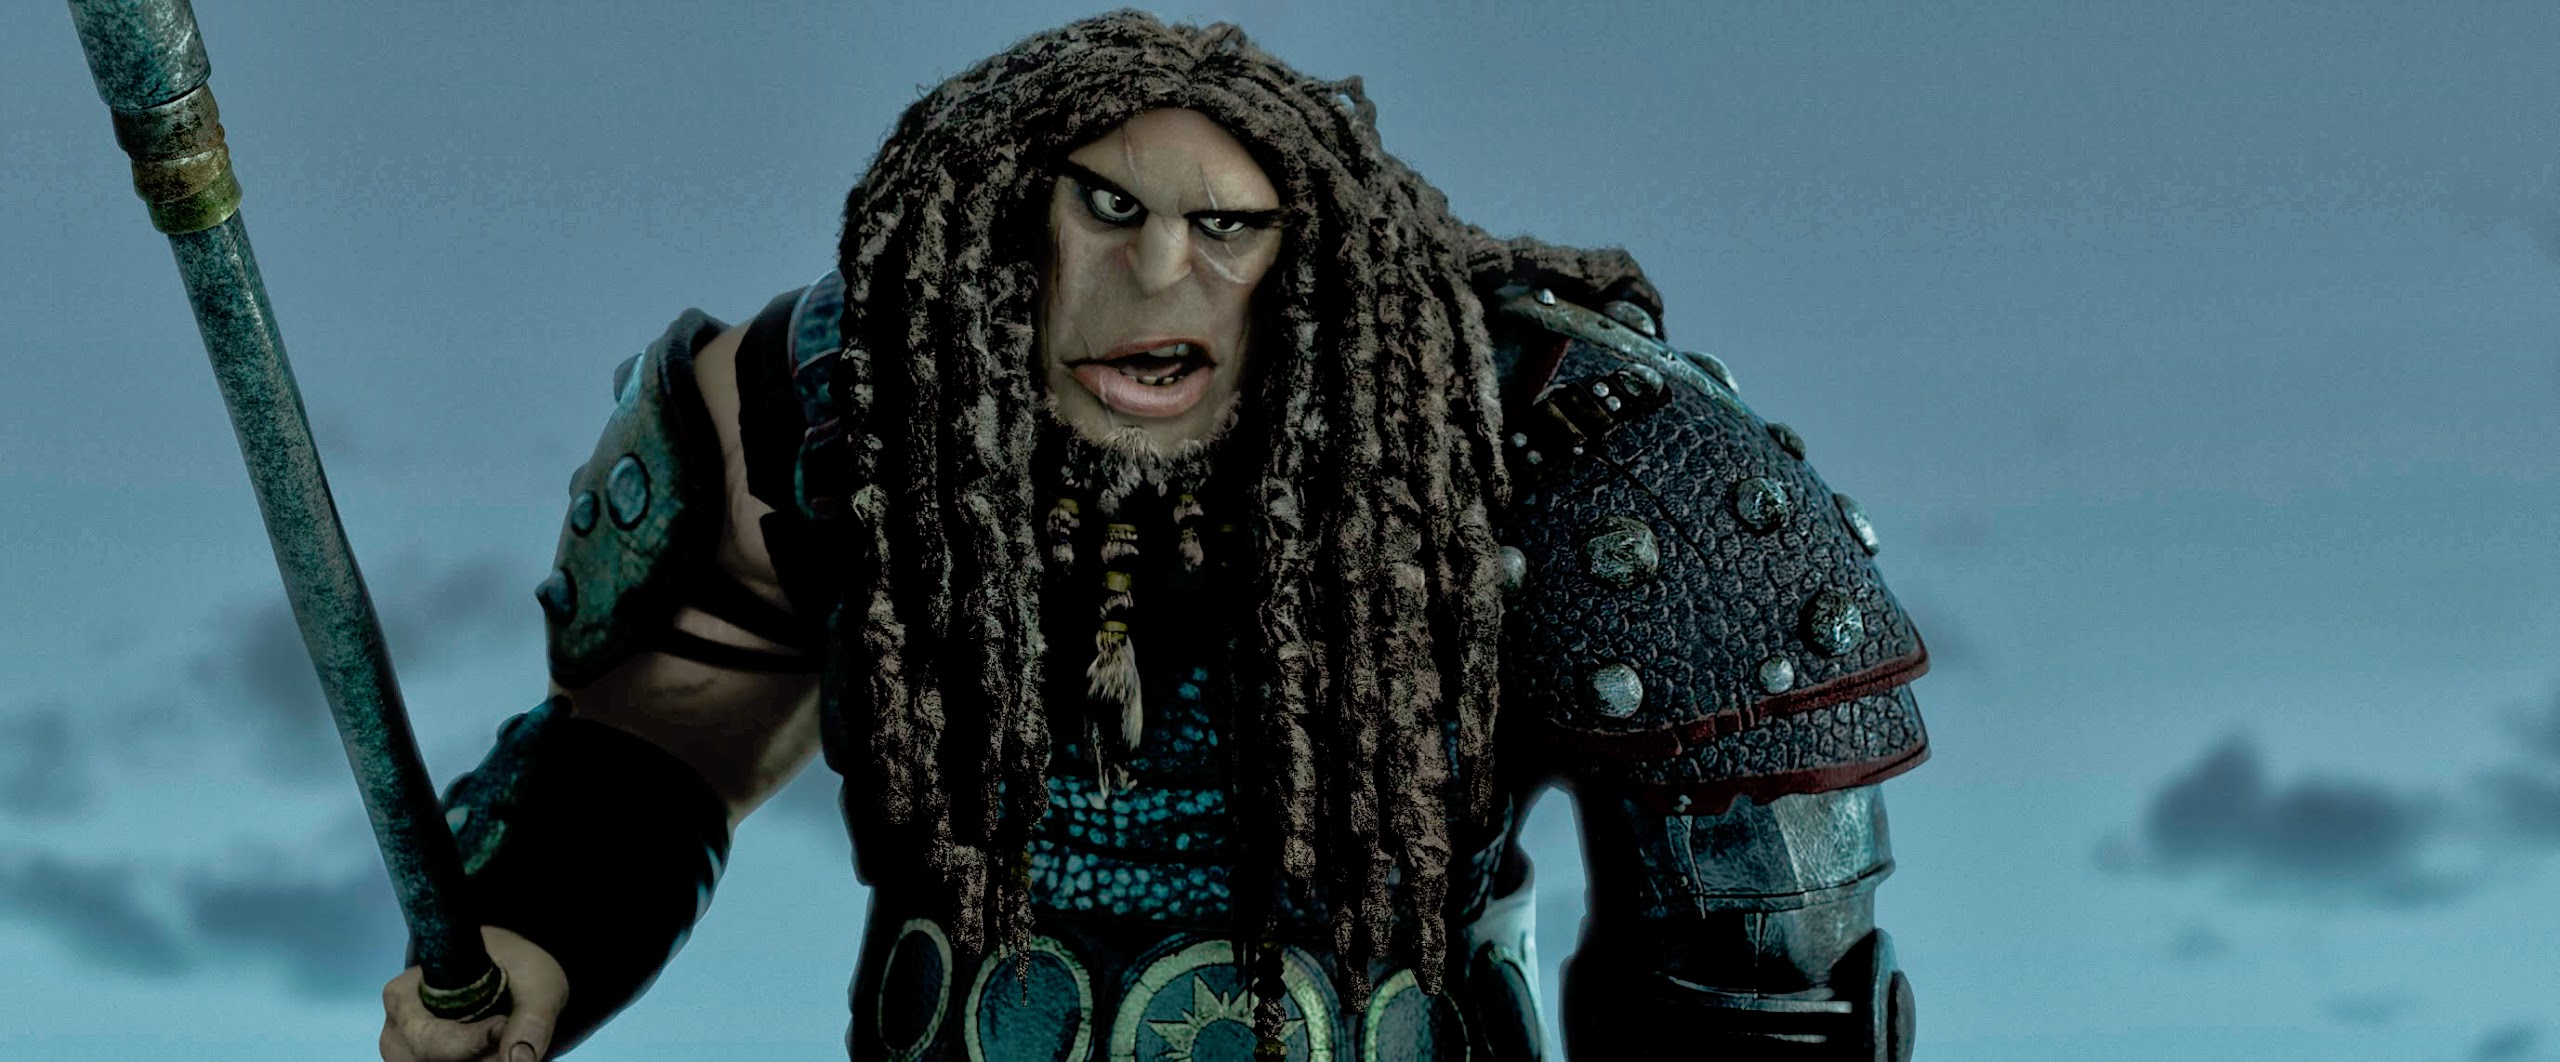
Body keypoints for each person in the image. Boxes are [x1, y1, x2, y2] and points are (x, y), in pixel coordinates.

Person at [377, 12, 1928, 1061]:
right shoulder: (852, 398)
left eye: (1224, 229)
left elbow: (1759, 975)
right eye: (1105, 212)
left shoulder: (1569, 447)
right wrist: (539, 941)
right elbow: (675, 722)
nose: (1160, 273)